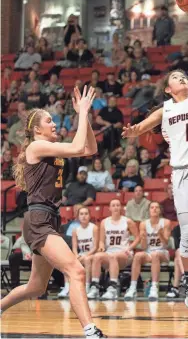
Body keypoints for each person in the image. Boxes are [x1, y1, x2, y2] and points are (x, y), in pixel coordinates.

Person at [122, 6, 188, 311]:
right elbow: (143, 126)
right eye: (176, 77)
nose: (182, 77)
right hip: (181, 174)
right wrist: (133, 130)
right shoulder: (165, 109)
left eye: (183, 75)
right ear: (168, 89)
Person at [0, 86, 107, 338]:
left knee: (36, 286)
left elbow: (88, 149)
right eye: (49, 121)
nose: (55, 124)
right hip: (38, 219)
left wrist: (86, 116)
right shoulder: (36, 147)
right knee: (76, 271)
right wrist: (81, 112)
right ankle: (90, 330)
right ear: (37, 129)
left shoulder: (50, 147)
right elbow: (79, 145)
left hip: (49, 218)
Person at [87, 199, 139, 300]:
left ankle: (113, 288)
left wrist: (130, 248)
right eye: (113, 205)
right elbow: (101, 241)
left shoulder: (127, 221)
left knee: (113, 256)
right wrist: (101, 247)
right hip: (110, 252)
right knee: (97, 256)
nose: (115, 207)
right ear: (109, 208)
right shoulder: (104, 222)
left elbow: (137, 237)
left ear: (121, 208)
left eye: (118, 205)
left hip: (124, 253)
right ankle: (95, 288)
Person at [124, 201, 171, 300]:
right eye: (152, 207)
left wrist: (161, 234)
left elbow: (166, 244)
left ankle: (154, 287)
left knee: (155, 255)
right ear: (149, 210)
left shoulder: (166, 222)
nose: (154, 209)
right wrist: (144, 239)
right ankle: (132, 288)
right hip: (149, 252)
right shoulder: (143, 224)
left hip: (162, 252)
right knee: (137, 256)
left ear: (160, 210)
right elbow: (144, 247)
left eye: (156, 207)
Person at [166, 223, 188, 299]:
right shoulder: (176, 229)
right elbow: (177, 246)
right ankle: (186, 277)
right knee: (178, 256)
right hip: (182, 256)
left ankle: (176, 287)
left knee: (178, 257)